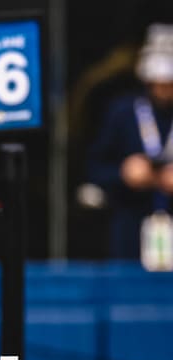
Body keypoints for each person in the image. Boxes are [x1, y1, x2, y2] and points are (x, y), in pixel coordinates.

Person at [85, 24, 173, 265]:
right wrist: (124, 173)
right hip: (130, 228)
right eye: (160, 82)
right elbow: (93, 168)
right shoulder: (123, 113)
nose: (165, 90)